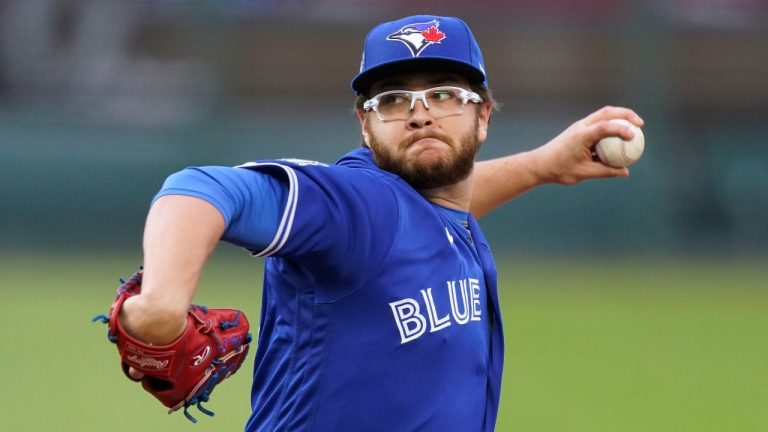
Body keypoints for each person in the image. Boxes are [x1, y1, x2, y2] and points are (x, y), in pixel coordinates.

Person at [118, 14, 643, 432]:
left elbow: (437, 211)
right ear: (365, 127)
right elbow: (201, 189)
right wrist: (161, 308)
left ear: (483, 116)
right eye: (392, 100)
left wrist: (540, 166)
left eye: (444, 95)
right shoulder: (359, 204)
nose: (420, 114)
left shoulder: (432, 213)